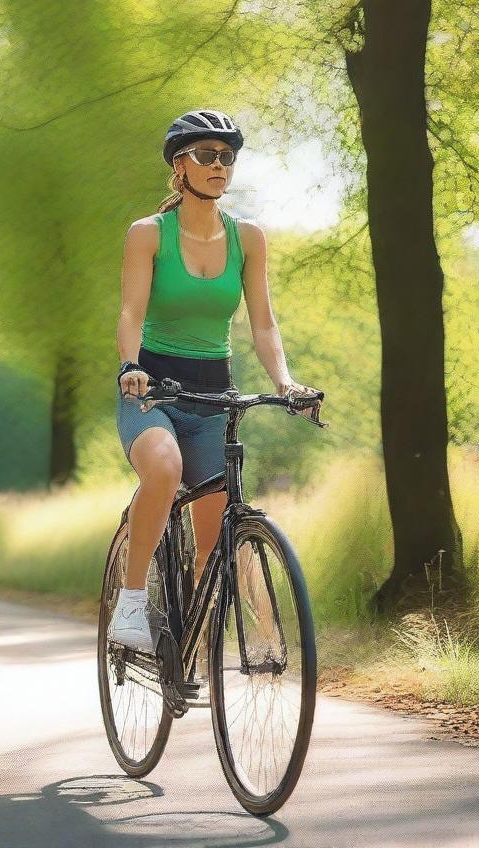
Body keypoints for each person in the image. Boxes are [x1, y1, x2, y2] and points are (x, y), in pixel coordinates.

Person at [107, 108, 320, 653]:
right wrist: (131, 367)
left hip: (213, 395)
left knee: (214, 540)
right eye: (206, 155)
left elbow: (263, 323)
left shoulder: (248, 238)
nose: (219, 165)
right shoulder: (148, 234)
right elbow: (131, 313)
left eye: (227, 157)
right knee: (163, 466)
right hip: (151, 390)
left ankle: (189, 653)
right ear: (180, 165)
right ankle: (131, 604)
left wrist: (285, 382)